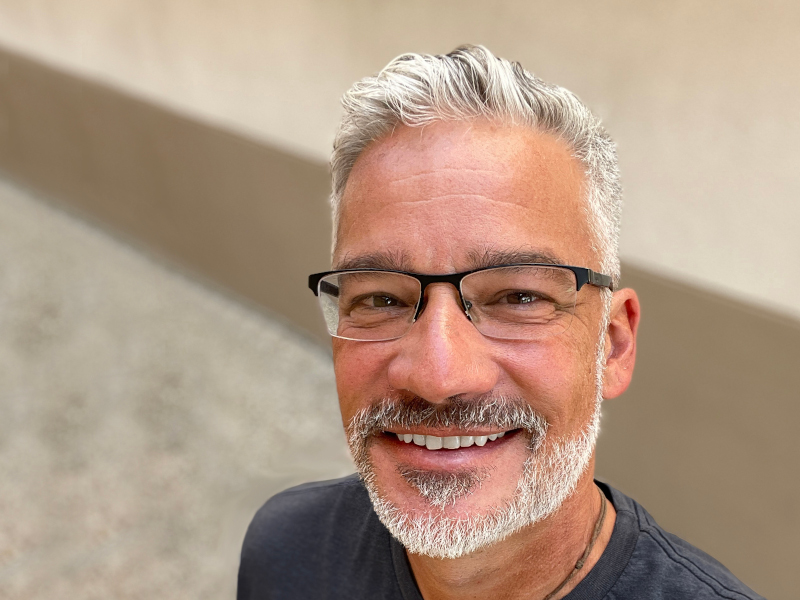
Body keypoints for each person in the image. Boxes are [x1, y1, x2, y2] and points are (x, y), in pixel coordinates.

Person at [238, 45, 764, 600]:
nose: (438, 376)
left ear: (612, 345)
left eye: (517, 295)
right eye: (381, 300)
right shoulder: (287, 550)